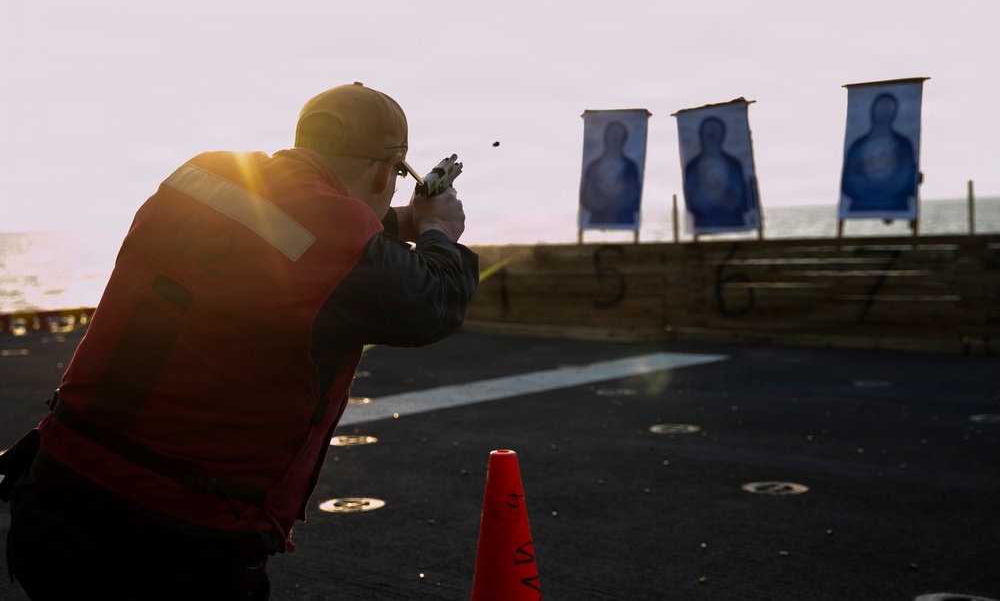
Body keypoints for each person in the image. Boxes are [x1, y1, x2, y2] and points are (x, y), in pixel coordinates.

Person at [2, 81, 479, 600]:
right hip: (169, 540)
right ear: (388, 169)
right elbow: (432, 304)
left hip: (54, 496)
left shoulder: (202, 174)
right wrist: (437, 233)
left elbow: (286, 223)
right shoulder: (335, 237)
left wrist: (396, 221)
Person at [579, 121, 642, 227]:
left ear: (624, 139)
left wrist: (617, 197)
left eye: (619, 135)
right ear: (606, 137)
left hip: (624, 220)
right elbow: (586, 198)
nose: (615, 139)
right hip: (597, 220)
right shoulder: (594, 166)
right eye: (612, 134)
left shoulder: (631, 167)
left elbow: (634, 198)